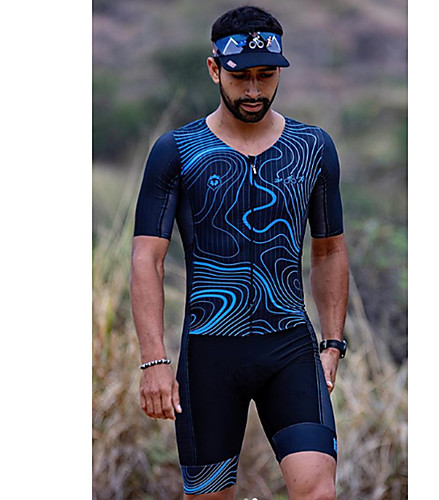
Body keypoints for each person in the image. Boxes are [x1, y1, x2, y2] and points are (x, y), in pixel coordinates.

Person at [130, 5, 349, 499]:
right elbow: (147, 258)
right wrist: (153, 361)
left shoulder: (313, 148)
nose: (253, 90)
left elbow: (330, 250)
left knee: (318, 489)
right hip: (209, 351)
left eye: (265, 76)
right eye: (240, 76)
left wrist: (333, 343)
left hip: (290, 347)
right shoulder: (177, 151)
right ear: (214, 70)